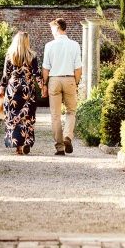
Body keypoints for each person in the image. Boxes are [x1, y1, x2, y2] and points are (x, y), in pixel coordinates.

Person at [0, 31, 45, 156]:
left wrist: (2, 89)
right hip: (27, 90)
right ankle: (27, 142)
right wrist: (42, 87)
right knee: (27, 117)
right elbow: (37, 74)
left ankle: (18, 147)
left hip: (13, 90)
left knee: (13, 116)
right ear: (26, 42)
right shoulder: (32, 56)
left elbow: (5, 75)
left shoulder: (10, 55)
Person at [42, 17, 82, 156]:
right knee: (71, 111)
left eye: (52, 29)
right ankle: (67, 136)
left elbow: (45, 69)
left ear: (58, 28)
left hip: (54, 80)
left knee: (55, 115)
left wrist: (44, 85)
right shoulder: (75, 45)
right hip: (69, 79)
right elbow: (78, 68)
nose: (52, 32)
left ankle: (59, 147)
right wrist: (75, 82)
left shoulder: (49, 45)